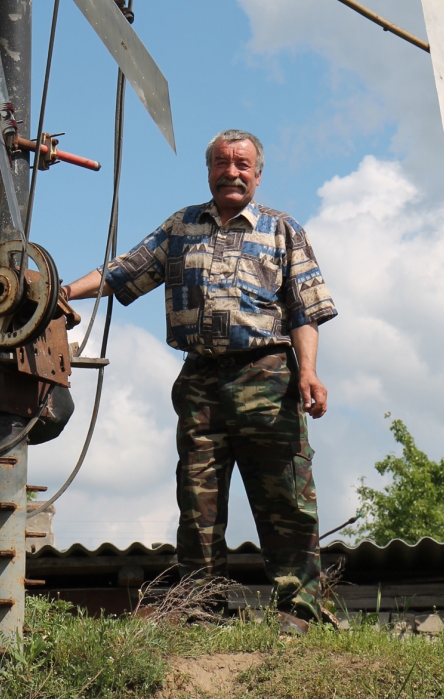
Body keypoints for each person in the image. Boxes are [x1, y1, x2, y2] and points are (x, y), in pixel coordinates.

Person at [61, 129, 336, 631]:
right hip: (200, 381)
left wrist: (309, 372)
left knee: (285, 497)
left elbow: (305, 310)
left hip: (268, 376)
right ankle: (200, 610)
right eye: (221, 163)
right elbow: (125, 271)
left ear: (257, 173)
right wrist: (62, 292)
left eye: (242, 164)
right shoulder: (181, 227)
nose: (232, 172)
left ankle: (301, 610)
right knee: (198, 500)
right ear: (208, 171)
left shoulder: (283, 230)